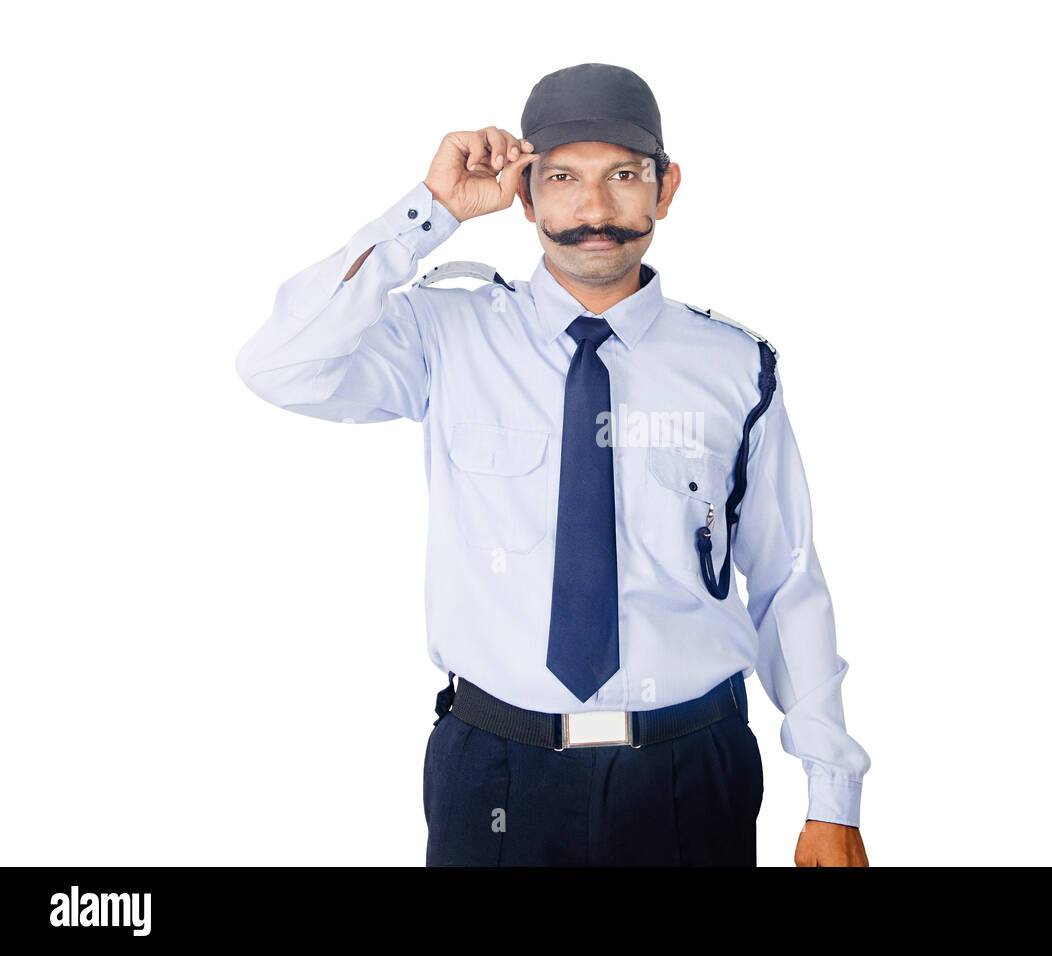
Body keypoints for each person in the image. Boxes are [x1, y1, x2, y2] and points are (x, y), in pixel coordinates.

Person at [236, 62, 870, 866]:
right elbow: (278, 365)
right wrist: (428, 214)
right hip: (495, 770)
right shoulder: (443, 338)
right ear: (525, 196)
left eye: (624, 177)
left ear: (665, 189)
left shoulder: (736, 367)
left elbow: (787, 582)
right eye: (563, 178)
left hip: (689, 770)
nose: (595, 210)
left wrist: (831, 795)